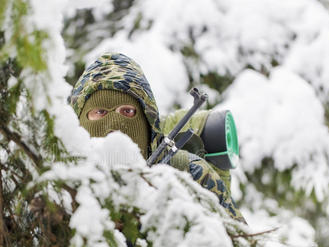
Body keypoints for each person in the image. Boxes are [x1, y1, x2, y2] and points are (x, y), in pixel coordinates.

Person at [68, 52, 244, 222]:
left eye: (127, 111)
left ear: (147, 121)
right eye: (101, 112)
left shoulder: (189, 174)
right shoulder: (60, 183)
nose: (114, 125)